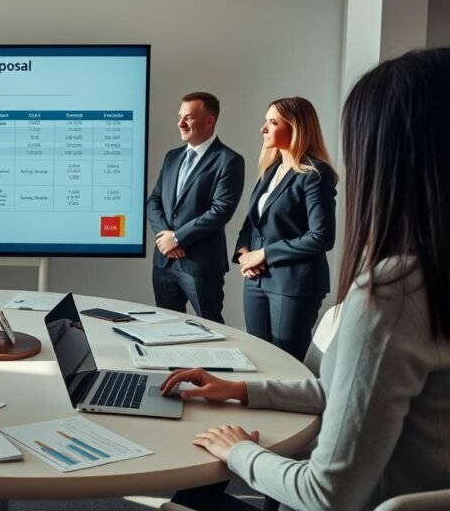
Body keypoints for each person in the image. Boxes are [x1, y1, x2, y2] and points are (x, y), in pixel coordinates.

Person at [164, 47, 450, 511]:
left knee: (191, 497)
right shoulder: (425, 280)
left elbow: (326, 494)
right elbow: (349, 392)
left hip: (291, 286)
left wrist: (239, 451)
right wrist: (241, 389)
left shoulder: (394, 295)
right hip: (261, 281)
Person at [234, 97, 337, 360]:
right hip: (255, 281)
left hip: (294, 284)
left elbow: (321, 237)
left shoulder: (315, 174)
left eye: (272, 122)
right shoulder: (270, 170)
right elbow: (251, 224)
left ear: (295, 128)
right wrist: (244, 255)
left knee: (286, 361)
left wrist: (264, 254)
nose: (263, 128)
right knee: (258, 358)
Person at [146, 92, 245, 323]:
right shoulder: (172, 157)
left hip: (201, 265)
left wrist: (178, 238)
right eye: (179, 117)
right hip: (164, 262)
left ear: (209, 120)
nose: (180, 123)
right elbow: (154, 201)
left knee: (211, 328)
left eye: (188, 118)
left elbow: (220, 211)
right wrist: (165, 238)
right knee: (166, 328)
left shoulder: (229, 160)